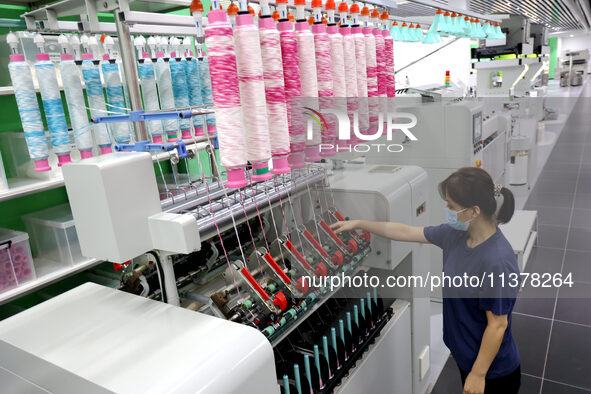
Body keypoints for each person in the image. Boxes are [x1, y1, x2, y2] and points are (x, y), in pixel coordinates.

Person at [331, 167, 521, 394]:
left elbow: (498, 325)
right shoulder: (456, 235)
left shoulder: (497, 260)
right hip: (466, 354)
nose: (447, 210)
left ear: (474, 211)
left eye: (451, 206)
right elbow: (405, 232)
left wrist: (478, 374)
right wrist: (361, 223)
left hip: (492, 371)